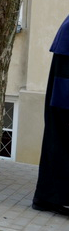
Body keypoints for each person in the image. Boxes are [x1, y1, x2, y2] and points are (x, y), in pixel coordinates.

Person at [32, 14, 69, 216]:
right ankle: (52, 199)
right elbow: (64, 74)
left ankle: (50, 198)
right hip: (63, 102)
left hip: (63, 99)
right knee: (59, 149)